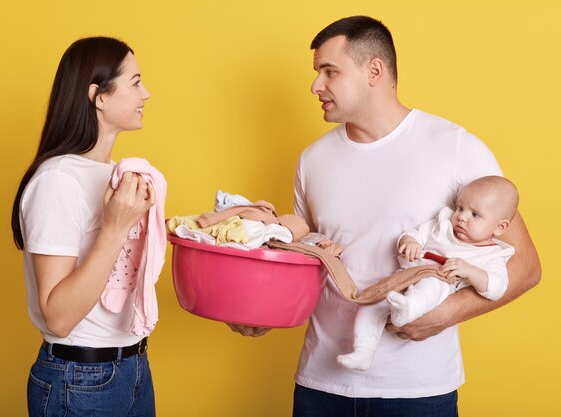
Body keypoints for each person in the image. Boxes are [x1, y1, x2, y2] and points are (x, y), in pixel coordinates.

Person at [230, 16, 540, 417]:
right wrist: (263, 310)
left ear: (373, 70)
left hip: (419, 390)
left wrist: (444, 315)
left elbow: (526, 266)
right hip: (321, 386)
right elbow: (311, 260)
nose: (315, 86)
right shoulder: (313, 160)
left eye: (330, 72)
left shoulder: (457, 148)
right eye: (316, 73)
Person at [11, 37, 160, 417]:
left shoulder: (118, 175)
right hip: (80, 378)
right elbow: (57, 318)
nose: (147, 93)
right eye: (136, 81)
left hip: (134, 368)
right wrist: (114, 229)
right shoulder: (57, 180)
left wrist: (224, 219)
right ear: (100, 96)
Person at [337, 176, 518, 371]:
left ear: (500, 227)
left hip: (441, 281)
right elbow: (415, 233)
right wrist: (410, 243)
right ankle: (363, 351)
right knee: (371, 304)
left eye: (475, 214)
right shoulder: (443, 224)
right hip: (405, 276)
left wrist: (470, 271)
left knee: (431, 285)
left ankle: (407, 309)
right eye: (460, 208)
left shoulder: (492, 254)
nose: (462, 217)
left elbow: (497, 287)